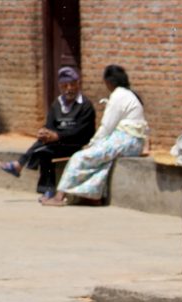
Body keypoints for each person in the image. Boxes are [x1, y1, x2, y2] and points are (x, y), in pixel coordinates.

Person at [42, 65, 148, 207]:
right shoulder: (129, 94)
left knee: (79, 157)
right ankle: (93, 196)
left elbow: (106, 126)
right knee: (103, 161)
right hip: (133, 143)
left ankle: (60, 196)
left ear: (109, 82)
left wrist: (92, 144)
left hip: (126, 139)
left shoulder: (118, 96)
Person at [0, 66, 96, 201]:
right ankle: (48, 190)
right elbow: (50, 125)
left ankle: (19, 164)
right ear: (59, 86)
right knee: (44, 150)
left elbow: (80, 131)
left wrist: (57, 136)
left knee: (45, 148)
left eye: (72, 84)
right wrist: (45, 132)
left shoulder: (85, 105)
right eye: (64, 85)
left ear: (78, 84)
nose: (69, 88)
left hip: (76, 143)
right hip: (58, 142)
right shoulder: (57, 104)